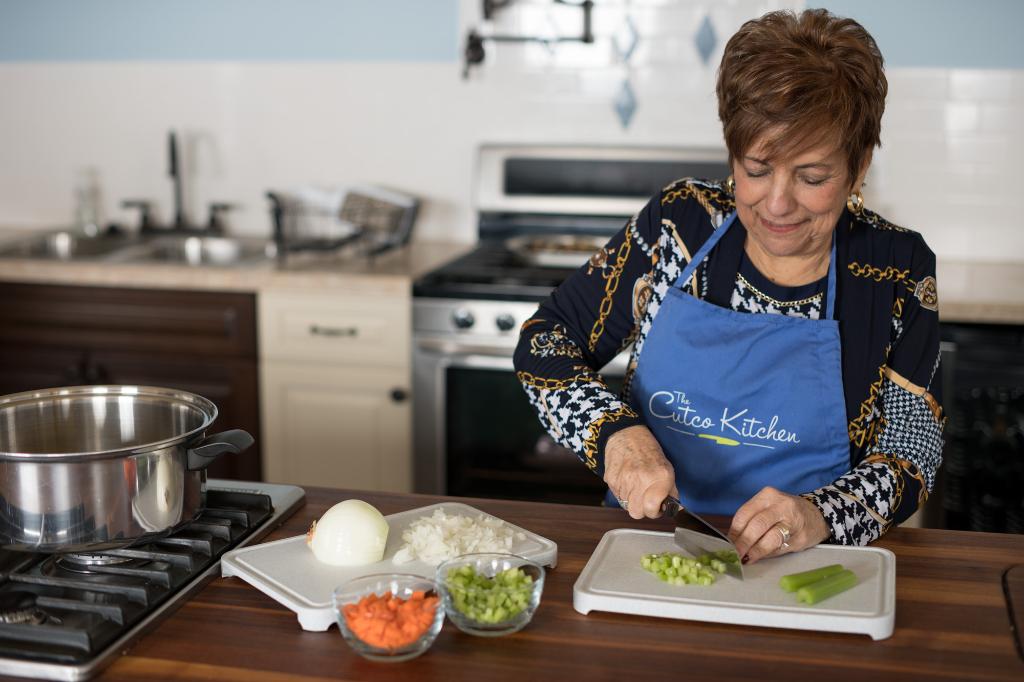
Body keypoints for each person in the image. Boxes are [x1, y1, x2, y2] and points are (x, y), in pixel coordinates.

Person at [513, 9, 944, 565]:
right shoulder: (679, 223)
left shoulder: (895, 268)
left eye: (812, 177)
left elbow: (913, 451)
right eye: (757, 168)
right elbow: (545, 341)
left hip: (809, 567)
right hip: (647, 553)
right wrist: (615, 434)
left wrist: (822, 514)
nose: (778, 203)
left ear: (859, 167)